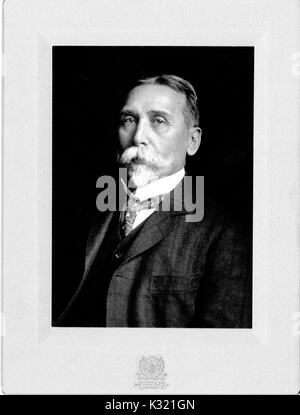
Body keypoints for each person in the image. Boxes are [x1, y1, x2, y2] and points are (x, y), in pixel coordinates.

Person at [54, 74, 252, 328]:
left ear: (192, 141)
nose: (138, 138)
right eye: (129, 119)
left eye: (159, 121)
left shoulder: (226, 234)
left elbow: (218, 352)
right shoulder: (85, 214)